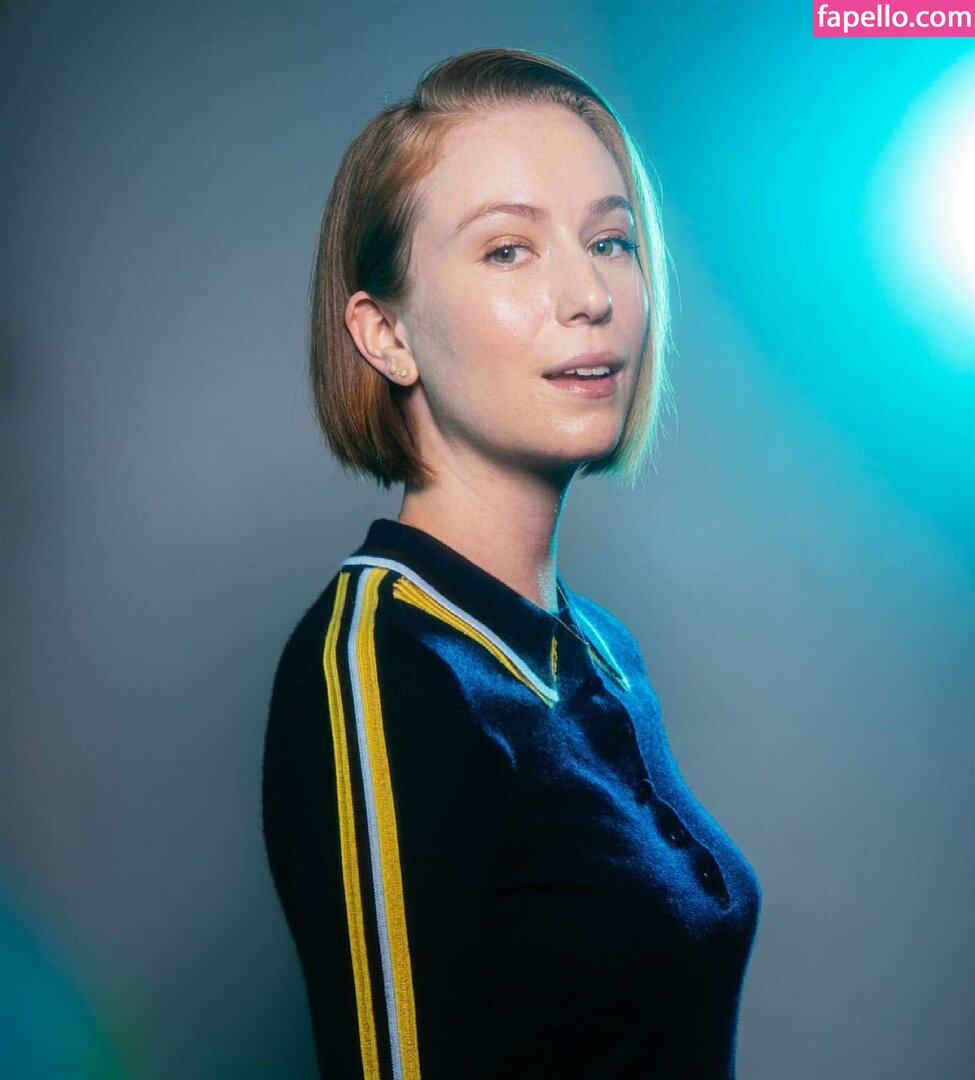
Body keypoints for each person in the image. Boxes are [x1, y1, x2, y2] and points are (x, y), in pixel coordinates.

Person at [262, 46, 762, 1080]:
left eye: (610, 241)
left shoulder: (601, 649)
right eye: (507, 251)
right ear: (385, 334)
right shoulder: (382, 671)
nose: (587, 295)